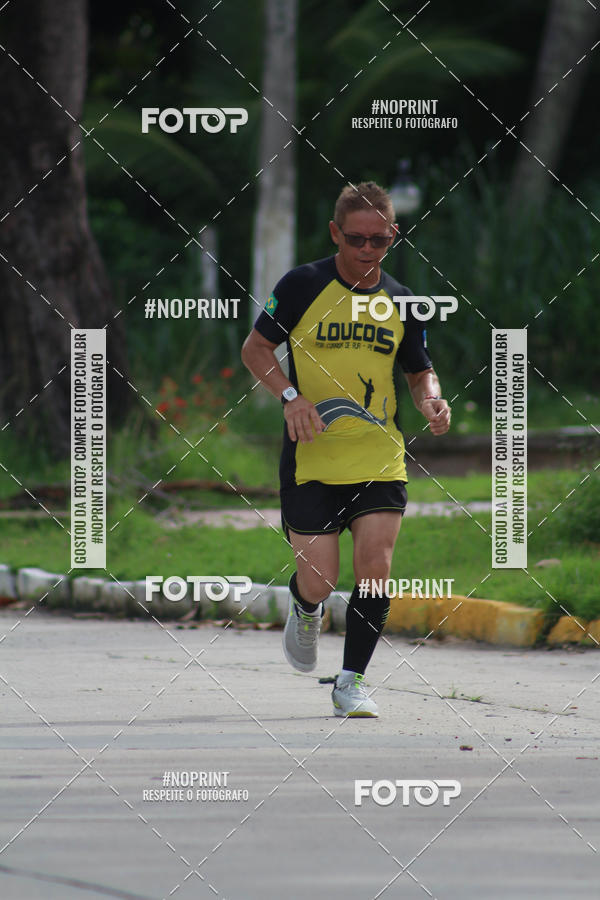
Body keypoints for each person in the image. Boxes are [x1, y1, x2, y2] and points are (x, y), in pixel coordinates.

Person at [241, 181, 450, 718]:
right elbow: (256, 348)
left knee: (375, 569)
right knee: (321, 579)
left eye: (379, 241)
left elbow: (419, 371)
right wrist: (290, 397)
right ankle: (306, 606)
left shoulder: (402, 301)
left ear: (393, 238)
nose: (366, 250)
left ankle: (351, 681)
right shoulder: (302, 285)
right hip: (313, 457)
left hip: (379, 455)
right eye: (356, 239)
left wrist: (431, 401)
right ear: (336, 233)